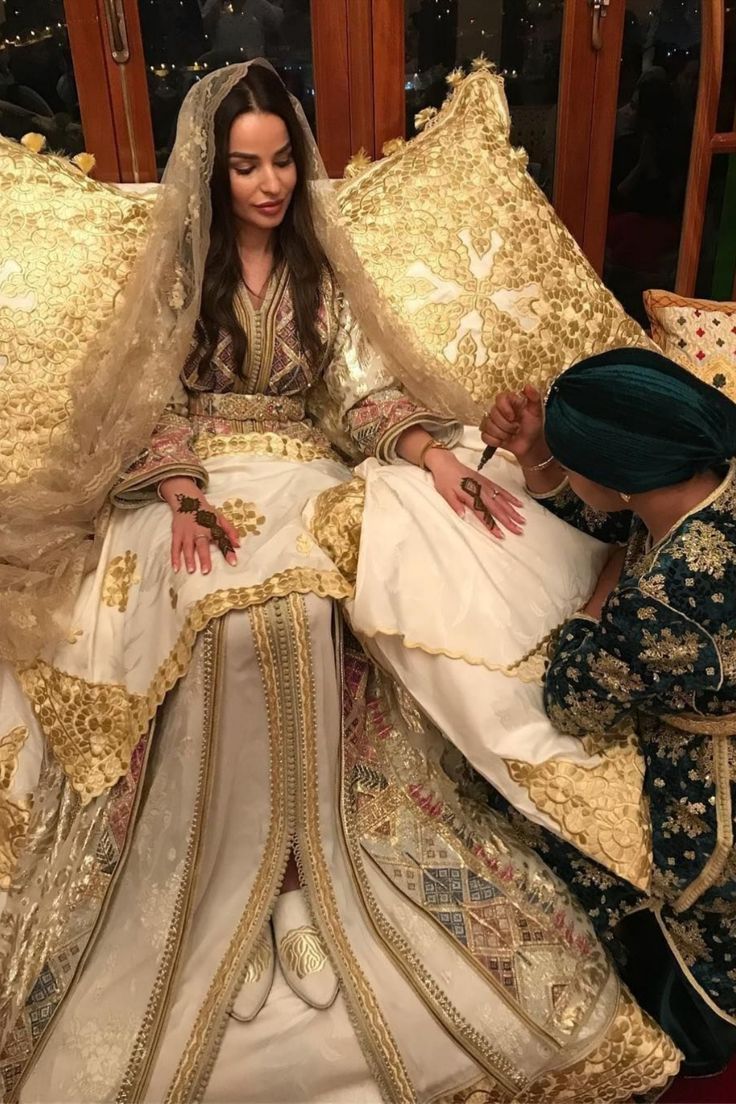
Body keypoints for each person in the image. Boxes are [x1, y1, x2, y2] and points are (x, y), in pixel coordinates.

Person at [0, 64, 678, 1102]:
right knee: (223, 622)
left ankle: (303, 882)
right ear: (211, 172)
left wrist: (432, 453)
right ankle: (231, 886)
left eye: (281, 161)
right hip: (202, 482)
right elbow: (143, 396)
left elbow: (355, 388)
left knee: (312, 603)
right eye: (245, 166)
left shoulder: (319, 270)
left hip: (304, 473)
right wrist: (179, 490)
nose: (269, 184)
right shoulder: (182, 270)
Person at [480, 347, 736, 1075]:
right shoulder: (699, 483)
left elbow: (574, 702)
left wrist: (598, 600)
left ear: (620, 472)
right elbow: (606, 517)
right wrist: (538, 457)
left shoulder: (673, 593)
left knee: (542, 832)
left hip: (716, 791)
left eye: (572, 457)